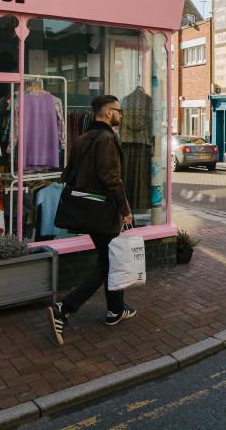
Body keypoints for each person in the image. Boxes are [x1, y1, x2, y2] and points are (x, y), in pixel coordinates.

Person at [47, 95, 135, 345]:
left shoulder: (83, 138)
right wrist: (125, 208)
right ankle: (64, 308)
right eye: (118, 111)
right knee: (108, 264)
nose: (121, 115)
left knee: (109, 258)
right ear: (108, 113)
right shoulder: (107, 139)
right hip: (104, 211)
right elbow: (111, 179)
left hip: (87, 210)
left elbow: (69, 174)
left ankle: (116, 309)